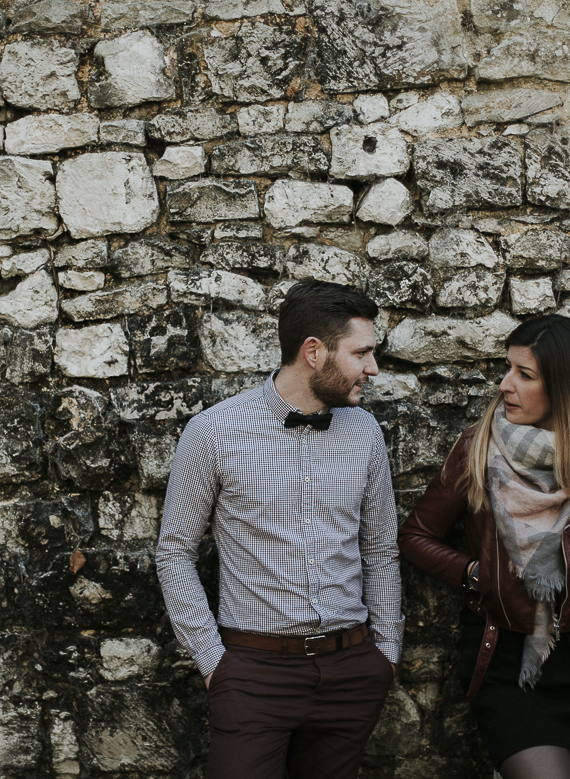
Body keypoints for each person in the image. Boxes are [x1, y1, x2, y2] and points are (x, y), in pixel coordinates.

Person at [398, 314, 570, 779]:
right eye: (508, 369)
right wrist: (475, 574)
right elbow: (415, 536)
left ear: (564, 388)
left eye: (524, 375)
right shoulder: (476, 447)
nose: (505, 385)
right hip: (504, 662)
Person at [156, 280, 403, 779]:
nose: (372, 369)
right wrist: (215, 665)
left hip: (351, 670)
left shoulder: (366, 432)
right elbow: (175, 552)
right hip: (253, 674)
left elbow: (380, 551)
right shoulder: (214, 431)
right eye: (362, 353)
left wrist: (386, 655)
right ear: (314, 352)